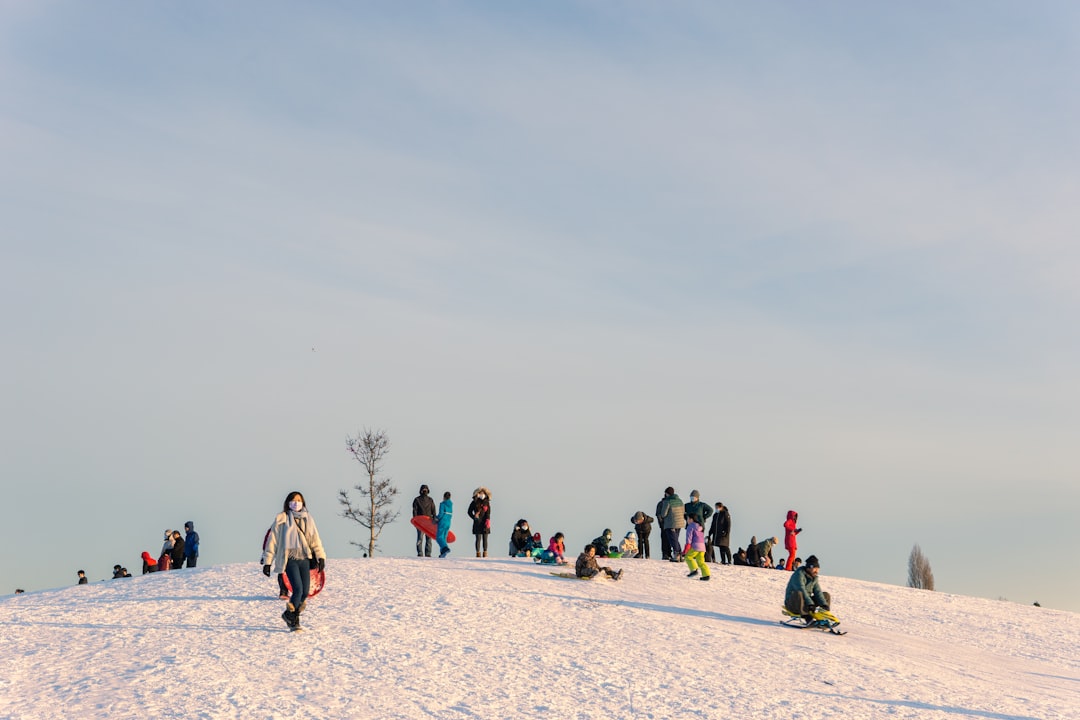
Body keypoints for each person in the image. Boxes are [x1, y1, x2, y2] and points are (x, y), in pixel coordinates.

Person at [261, 491, 327, 631]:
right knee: (297, 589)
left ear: (303, 502)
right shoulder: (282, 519)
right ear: (288, 502)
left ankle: (289, 614)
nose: (296, 503)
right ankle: (293, 620)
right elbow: (273, 541)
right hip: (290, 559)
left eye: (299, 500)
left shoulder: (308, 519)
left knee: (304, 592)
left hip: (304, 558)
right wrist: (268, 562)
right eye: (293, 500)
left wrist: (320, 556)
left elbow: (315, 539)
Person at [784, 554, 830, 621]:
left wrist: (824, 605)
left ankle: (823, 617)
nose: (817, 571)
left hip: (806, 603)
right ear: (809, 568)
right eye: (815, 568)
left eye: (818, 569)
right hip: (793, 604)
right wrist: (810, 603)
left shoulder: (814, 577)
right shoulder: (798, 574)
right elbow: (801, 589)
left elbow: (818, 592)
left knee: (826, 595)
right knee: (799, 593)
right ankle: (807, 617)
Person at [658, 487, 686, 562]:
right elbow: (683, 511)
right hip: (680, 523)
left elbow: (664, 514)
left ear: (667, 493)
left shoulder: (667, 501)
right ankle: (680, 555)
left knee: (673, 540)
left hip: (671, 523)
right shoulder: (680, 501)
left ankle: (677, 554)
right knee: (676, 539)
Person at [682, 514, 711, 581]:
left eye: (688, 519)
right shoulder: (700, 526)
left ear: (691, 519)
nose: (687, 520)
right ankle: (706, 575)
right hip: (702, 547)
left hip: (695, 545)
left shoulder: (691, 526)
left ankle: (694, 570)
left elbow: (689, 537)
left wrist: (687, 546)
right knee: (701, 561)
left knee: (688, 557)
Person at [412, 485, 437, 557]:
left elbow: (414, 511)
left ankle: (421, 553)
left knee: (421, 538)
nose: (425, 491)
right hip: (427, 521)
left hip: (421, 522)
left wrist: (415, 520)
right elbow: (434, 511)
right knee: (427, 538)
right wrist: (434, 519)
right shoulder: (430, 500)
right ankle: (427, 553)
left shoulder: (417, 499)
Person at [467, 487, 492, 557]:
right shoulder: (474, 502)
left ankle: (485, 552)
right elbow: (469, 511)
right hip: (477, 522)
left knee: (485, 538)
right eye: (480, 493)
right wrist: (474, 517)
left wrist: (488, 520)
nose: (482, 494)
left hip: (485, 522)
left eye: (483, 493)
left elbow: (488, 512)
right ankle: (478, 553)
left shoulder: (487, 502)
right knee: (478, 538)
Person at [436, 491, 453, 558]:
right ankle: (443, 553)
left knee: (439, 537)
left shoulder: (442, 504)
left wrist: (436, 518)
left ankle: (445, 548)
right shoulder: (451, 505)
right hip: (448, 522)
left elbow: (441, 514)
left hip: (442, 522)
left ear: (444, 497)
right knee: (444, 537)